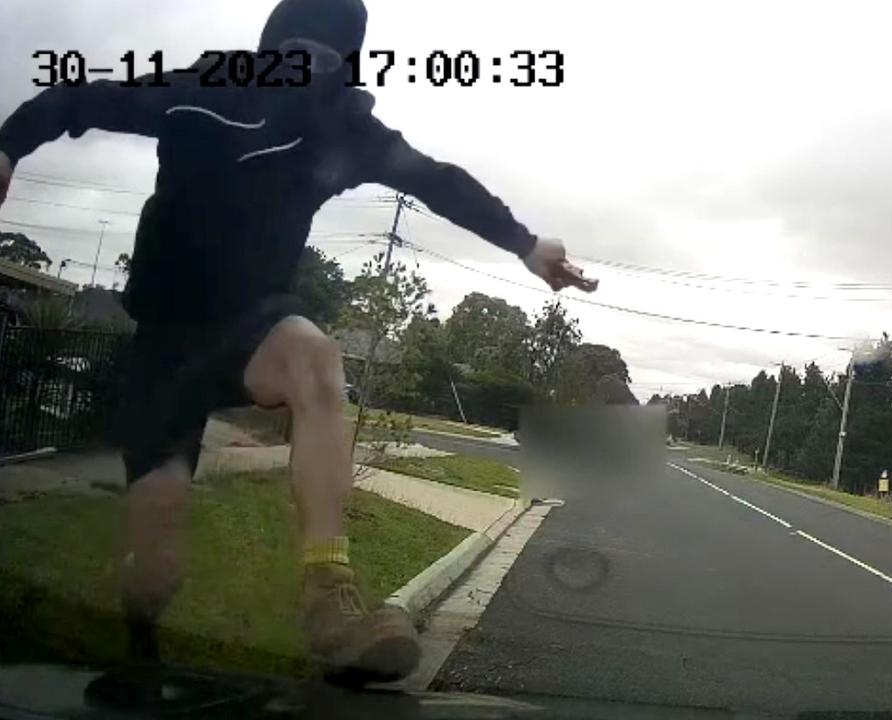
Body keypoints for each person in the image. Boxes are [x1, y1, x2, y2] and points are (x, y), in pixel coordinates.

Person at [0, 0, 596, 685]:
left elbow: (437, 181)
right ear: (270, 51)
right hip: (166, 340)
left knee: (317, 357)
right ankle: (139, 654)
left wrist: (523, 244)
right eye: (296, 59)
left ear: (343, 70)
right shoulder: (200, 86)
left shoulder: (342, 123)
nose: (306, 77)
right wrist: (9, 143)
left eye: (325, 66)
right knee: (154, 559)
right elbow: (82, 98)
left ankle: (327, 593)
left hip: (256, 324)